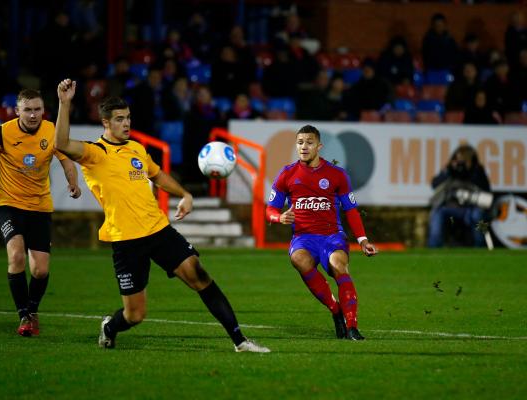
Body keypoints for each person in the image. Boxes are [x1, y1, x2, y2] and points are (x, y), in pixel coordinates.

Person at [54, 78, 269, 353]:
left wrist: (185, 195)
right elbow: (60, 142)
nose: (126, 123)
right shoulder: (95, 153)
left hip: (158, 230)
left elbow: (156, 175)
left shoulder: (136, 149)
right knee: (135, 315)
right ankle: (110, 327)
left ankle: (240, 341)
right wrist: (64, 103)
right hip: (127, 240)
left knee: (199, 275)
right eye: (119, 119)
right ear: (105, 123)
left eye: (128, 118)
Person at [0, 88, 81, 336]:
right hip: (9, 203)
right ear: (17, 111)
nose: (32, 115)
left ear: (43, 111)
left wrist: (73, 184)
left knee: (40, 270)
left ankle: (32, 310)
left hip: (39, 206)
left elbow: (67, 161)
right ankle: (24, 316)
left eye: (37, 109)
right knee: (16, 256)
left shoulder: (51, 131)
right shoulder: (2, 133)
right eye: (27, 110)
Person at [266, 125, 377, 341]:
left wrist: (363, 240)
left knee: (339, 266)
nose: (304, 147)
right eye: (300, 143)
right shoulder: (287, 174)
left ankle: (352, 326)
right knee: (299, 259)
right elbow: (270, 208)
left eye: (309, 142)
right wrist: (278, 217)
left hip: (331, 236)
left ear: (319, 146)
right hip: (303, 238)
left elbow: (351, 210)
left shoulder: (337, 175)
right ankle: (335, 309)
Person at [428, 145, 492, 248]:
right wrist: (447, 171)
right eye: (457, 160)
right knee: (437, 213)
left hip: (470, 208)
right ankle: (433, 247)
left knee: (477, 215)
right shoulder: (450, 170)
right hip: (450, 210)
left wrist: (471, 171)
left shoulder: (477, 171)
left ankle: (480, 246)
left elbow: (486, 189)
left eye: (463, 161)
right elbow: (434, 184)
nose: (460, 164)